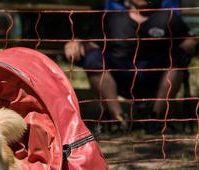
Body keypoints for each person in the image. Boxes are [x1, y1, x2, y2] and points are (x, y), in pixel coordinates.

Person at [64, 0, 196, 132]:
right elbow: (92, 44)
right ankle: (119, 119)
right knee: (93, 57)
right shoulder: (112, 18)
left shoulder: (169, 18)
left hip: (155, 73)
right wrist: (77, 43)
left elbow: (190, 40)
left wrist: (191, 43)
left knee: (178, 57)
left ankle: (155, 119)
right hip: (120, 73)